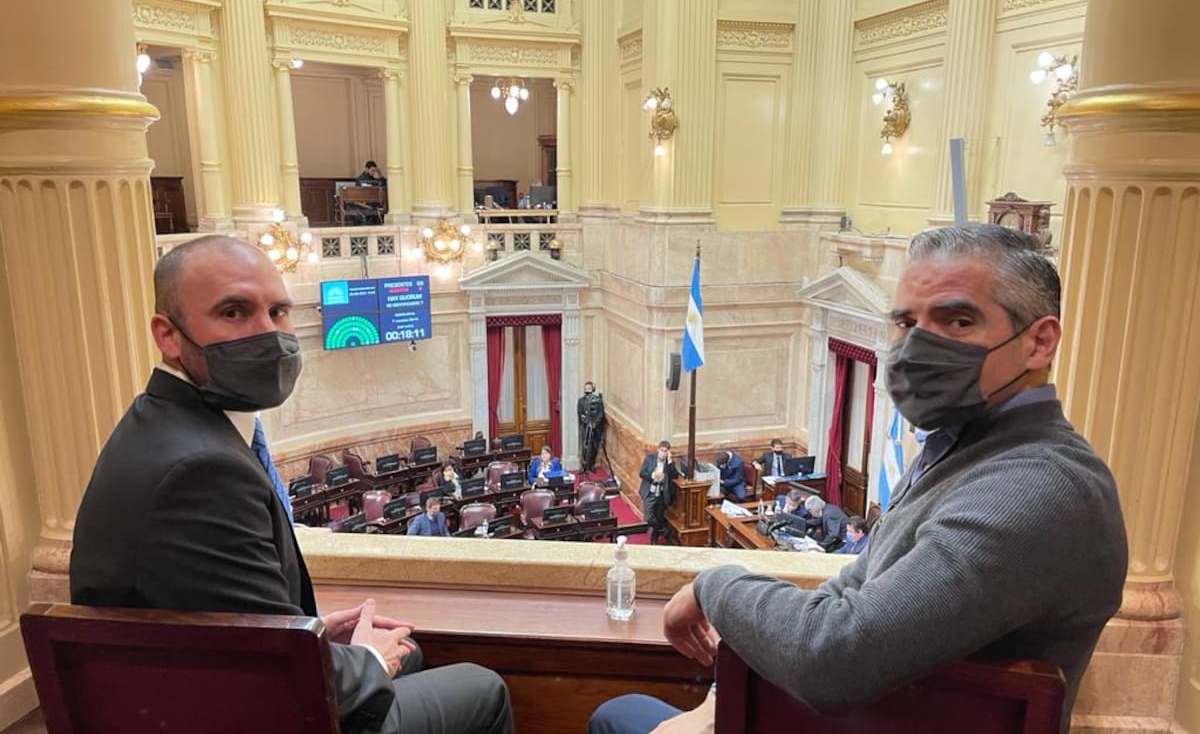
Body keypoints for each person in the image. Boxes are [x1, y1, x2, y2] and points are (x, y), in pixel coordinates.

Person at [589, 224, 1127, 734]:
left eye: (958, 322)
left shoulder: (1038, 488)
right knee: (626, 710)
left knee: (619, 717)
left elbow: (837, 654)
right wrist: (719, 706)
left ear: (1039, 342)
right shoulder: (966, 448)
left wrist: (714, 585)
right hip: (855, 719)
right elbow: (856, 587)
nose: (919, 347)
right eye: (907, 324)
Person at [70, 235, 512, 734]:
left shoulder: (164, 423)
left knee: (407, 655)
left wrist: (315, 630)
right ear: (168, 335)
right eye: (234, 312)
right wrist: (362, 656)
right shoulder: (202, 471)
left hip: (186, 686)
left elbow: (220, 611)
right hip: (228, 712)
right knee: (482, 686)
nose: (268, 332)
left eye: (278, 311)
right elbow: (276, 672)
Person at [638, 440, 679, 545]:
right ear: (658, 450)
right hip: (650, 492)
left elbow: (675, 475)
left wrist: (669, 461)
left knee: (659, 516)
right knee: (648, 517)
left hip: (661, 494)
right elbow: (642, 473)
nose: (663, 453)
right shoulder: (650, 458)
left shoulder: (668, 464)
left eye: (665, 451)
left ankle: (654, 538)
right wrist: (653, 475)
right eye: (662, 450)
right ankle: (664, 529)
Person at [578, 381, 607, 474]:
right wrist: (587, 422)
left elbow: (601, 413)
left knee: (594, 447)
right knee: (585, 447)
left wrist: (594, 424)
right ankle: (583, 466)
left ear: (593, 389)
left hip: (596, 428)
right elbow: (580, 413)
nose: (587, 390)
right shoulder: (580, 401)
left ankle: (591, 465)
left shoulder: (598, 400)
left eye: (589, 388)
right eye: (585, 388)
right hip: (585, 427)